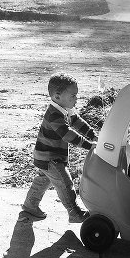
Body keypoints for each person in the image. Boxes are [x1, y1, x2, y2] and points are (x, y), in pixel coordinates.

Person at [21, 73, 96, 223]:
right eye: (73, 96)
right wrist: (89, 145)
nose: (76, 99)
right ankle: (74, 212)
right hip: (50, 158)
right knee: (65, 183)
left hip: (47, 156)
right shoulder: (54, 115)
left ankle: (30, 206)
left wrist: (92, 135)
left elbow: (77, 122)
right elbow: (67, 134)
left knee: (43, 181)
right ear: (57, 96)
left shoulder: (65, 109)